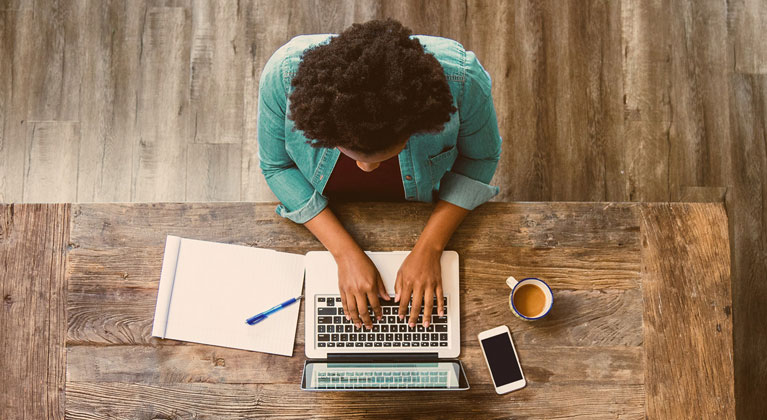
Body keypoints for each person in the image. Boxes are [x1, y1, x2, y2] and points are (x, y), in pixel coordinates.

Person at [257, 18, 501, 332]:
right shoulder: (284, 75)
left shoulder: (463, 79)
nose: (366, 170)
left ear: (417, 126)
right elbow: (277, 167)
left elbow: (481, 156)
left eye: (384, 156)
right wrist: (344, 253)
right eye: (352, 153)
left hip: (423, 202)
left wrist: (430, 247)